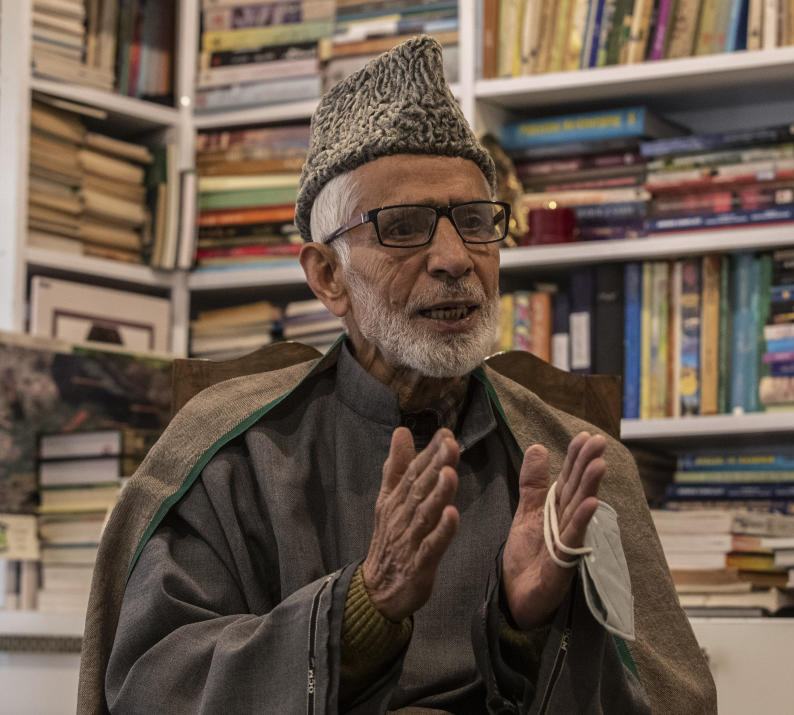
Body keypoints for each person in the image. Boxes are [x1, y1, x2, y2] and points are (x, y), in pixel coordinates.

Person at [78, 36, 716, 714]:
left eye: (474, 222)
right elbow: (152, 687)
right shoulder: (229, 459)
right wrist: (360, 609)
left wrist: (527, 626)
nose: (454, 257)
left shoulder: (574, 465)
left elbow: (674, 699)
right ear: (328, 276)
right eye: (405, 226)